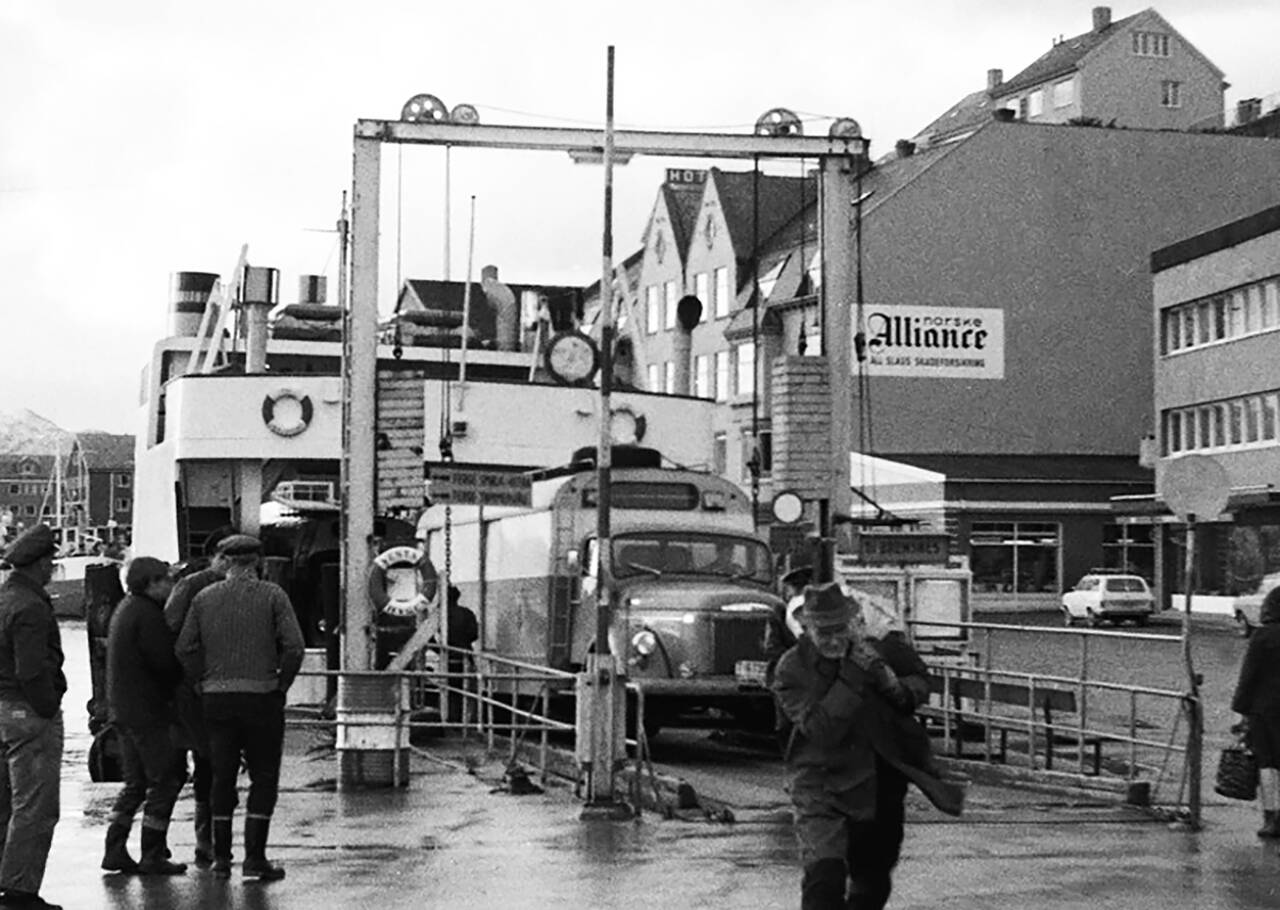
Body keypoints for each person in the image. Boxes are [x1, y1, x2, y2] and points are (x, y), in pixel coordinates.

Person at [771, 582, 962, 910]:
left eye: (839, 630)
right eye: (823, 632)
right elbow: (821, 729)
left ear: (852, 624)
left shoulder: (878, 650)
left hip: (879, 779)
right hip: (820, 782)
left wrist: (894, 684)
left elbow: (918, 681)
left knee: (873, 878)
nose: (833, 640)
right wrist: (854, 675)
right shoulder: (792, 668)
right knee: (824, 879)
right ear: (806, 629)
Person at [175, 534, 304, 882]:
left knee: (221, 775)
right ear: (258, 561)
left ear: (227, 562)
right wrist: (282, 684)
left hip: (216, 700)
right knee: (263, 777)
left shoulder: (203, 598)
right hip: (262, 697)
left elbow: (184, 647)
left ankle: (220, 858)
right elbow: (294, 646)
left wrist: (201, 680)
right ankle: (255, 858)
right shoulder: (273, 596)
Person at [102, 556, 187, 876]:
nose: (171, 584)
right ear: (151, 583)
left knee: (135, 783)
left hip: (124, 710)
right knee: (165, 779)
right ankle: (152, 852)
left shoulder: (125, 609)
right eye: (166, 579)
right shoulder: (149, 615)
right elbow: (164, 664)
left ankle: (115, 847)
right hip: (148, 713)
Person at [0, 524, 66, 910]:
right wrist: (48, 704)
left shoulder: (4, 599)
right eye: (51, 563)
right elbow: (31, 669)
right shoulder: (30, 606)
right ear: (40, 563)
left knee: (5, 802)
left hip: (1, 707)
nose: (52, 569)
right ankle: (21, 889)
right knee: (35, 805)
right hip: (27, 713)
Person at [162, 534, 231, 867]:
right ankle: (202, 841)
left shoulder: (199, 586)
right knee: (197, 762)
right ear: (216, 557)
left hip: (205, 687)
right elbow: (173, 631)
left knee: (208, 764)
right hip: (193, 690)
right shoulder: (194, 586)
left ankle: (206, 841)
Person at [1231, 585, 1280, 839]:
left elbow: (1248, 676)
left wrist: (1240, 711)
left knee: (1268, 764)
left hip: (1265, 710)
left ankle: (1272, 818)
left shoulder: (1262, 637)